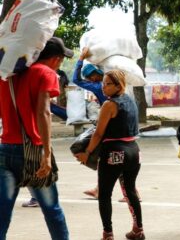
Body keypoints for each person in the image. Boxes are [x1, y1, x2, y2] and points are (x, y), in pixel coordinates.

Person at [0, 37, 72, 239]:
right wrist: (47, 154)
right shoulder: (46, 73)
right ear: (56, 59)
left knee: (2, 214)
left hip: (6, 149)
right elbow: (44, 113)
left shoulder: (7, 76)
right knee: (52, 210)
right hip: (34, 152)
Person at [75, 70, 144, 240]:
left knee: (105, 194)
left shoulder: (109, 105)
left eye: (107, 84)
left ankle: (108, 234)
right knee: (130, 191)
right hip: (133, 151)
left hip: (114, 152)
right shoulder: (130, 101)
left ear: (118, 85)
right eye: (103, 83)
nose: (103, 87)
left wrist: (87, 153)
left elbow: (98, 134)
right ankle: (138, 229)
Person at [73, 48, 141, 202]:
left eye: (90, 77)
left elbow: (76, 80)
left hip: (112, 129)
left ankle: (123, 193)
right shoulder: (127, 97)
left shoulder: (99, 89)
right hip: (128, 139)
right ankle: (127, 193)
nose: (90, 81)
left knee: (84, 149)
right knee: (120, 167)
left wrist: (81, 59)